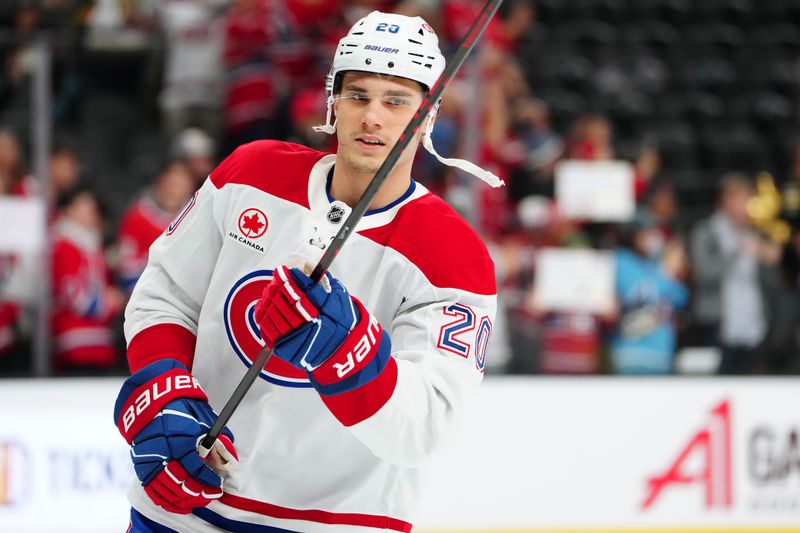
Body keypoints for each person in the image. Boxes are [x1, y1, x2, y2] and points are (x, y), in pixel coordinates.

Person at [114, 11, 501, 532]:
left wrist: (346, 349)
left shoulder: (454, 254)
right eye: (359, 95)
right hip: (183, 507)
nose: (373, 117)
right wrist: (167, 396)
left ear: (427, 115)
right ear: (332, 101)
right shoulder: (250, 173)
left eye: (396, 101)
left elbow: (423, 428)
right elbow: (165, 296)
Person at [689, 173, 781, 374]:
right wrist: (737, 251)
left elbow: (771, 283)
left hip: (754, 329)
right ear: (726, 201)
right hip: (718, 327)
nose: (748, 206)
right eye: (743, 200)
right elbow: (705, 274)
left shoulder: (756, 233)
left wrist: (769, 259)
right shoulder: (706, 232)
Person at [116, 160, 195, 293]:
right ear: (159, 182)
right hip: (146, 298)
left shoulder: (196, 216)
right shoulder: (137, 217)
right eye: (171, 182)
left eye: (180, 182)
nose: (174, 188)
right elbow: (128, 273)